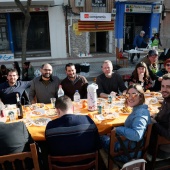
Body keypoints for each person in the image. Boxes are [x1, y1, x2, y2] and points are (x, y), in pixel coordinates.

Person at [100, 84, 151, 162]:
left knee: (99, 136)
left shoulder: (140, 114)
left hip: (128, 154)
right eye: (128, 94)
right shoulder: (140, 109)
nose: (130, 97)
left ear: (141, 96)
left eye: (134, 94)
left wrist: (117, 129)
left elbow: (137, 135)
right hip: (130, 147)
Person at [148, 73, 170, 159]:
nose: (164, 89)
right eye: (163, 86)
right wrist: (155, 116)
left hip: (162, 150)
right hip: (156, 140)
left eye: (168, 87)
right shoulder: (166, 99)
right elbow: (163, 115)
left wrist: (154, 123)